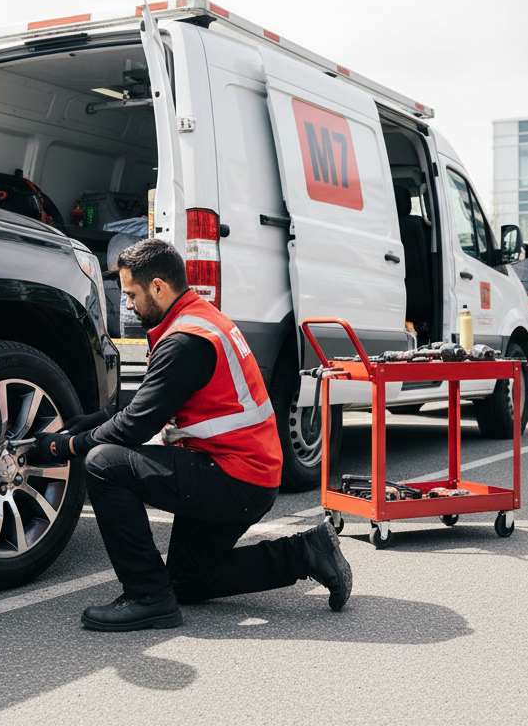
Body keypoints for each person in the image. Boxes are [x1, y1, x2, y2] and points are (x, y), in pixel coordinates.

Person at [29, 239, 352, 631]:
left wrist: (68, 445)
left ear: (158, 287)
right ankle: (307, 552)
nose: (128, 305)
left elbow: (136, 426)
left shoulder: (186, 339)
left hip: (234, 476)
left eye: (131, 295)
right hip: (244, 471)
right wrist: (92, 422)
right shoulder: (196, 319)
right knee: (188, 580)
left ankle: (147, 597)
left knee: (103, 464)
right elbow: (152, 402)